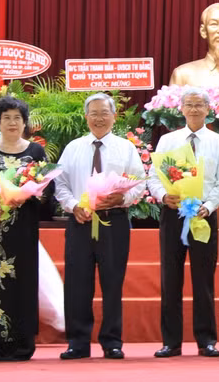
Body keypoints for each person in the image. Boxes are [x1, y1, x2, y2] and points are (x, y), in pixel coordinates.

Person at [54, 93, 146, 359]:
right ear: (86, 117)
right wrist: (73, 206)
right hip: (80, 222)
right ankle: (78, 342)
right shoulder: (73, 148)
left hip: (113, 221)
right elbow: (60, 184)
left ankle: (112, 341)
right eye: (94, 113)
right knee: (77, 283)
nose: (99, 118)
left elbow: (139, 182)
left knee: (113, 282)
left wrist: (123, 198)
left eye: (104, 113)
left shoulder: (125, 148)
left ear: (114, 116)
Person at [149, 87, 219, 358]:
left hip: (203, 215)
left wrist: (209, 206)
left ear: (208, 109)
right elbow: (153, 177)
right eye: (189, 105)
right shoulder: (168, 140)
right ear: (181, 109)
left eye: (199, 105)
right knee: (170, 279)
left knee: (203, 279)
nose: (194, 109)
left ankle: (206, 340)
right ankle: (171, 342)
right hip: (173, 214)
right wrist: (163, 196)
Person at [0, 96, 50, 360]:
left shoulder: (36, 152)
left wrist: (30, 196)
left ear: (24, 122)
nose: (12, 123)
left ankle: (22, 345)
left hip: (24, 228)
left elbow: (46, 192)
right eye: (7, 118)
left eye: (17, 118)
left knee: (24, 282)